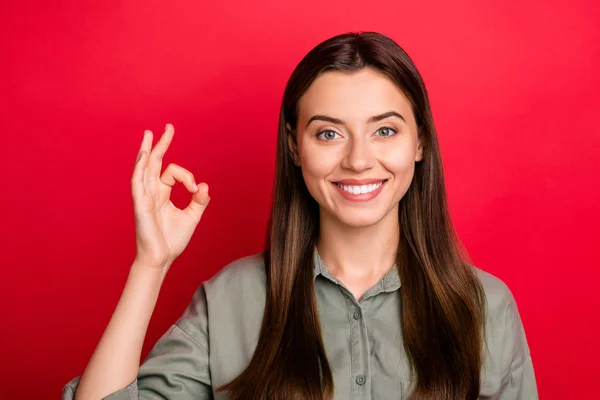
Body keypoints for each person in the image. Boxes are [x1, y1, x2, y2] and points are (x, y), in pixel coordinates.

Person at [63, 31, 537, 400]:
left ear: (419, 143)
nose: (357, 160)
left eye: (385, 131)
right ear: (295, 146)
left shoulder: (486, 308)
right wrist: (151, 264)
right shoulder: (230, 300)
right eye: (329, 134)